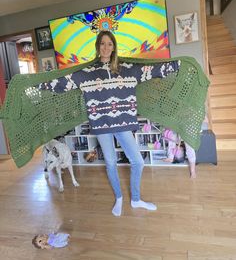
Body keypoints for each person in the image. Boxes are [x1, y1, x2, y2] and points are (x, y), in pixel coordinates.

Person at [39, 30, 181, 217]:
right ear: (97, 46)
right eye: (102, 43)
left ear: (114, 47)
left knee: (138, 161)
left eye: (110, 44)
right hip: (102, 125)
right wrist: (39, 85)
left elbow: (152, 70)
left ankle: (136, 199)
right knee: (111, 163)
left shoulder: (128, 68)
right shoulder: (87, 72)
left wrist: (177, 65)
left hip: (122, 124)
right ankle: (119, 198)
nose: (106, 47)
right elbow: (63, 83)